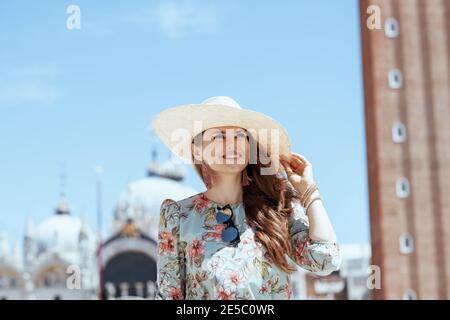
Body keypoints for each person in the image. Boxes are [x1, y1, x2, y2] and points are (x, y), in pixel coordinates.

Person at [152, 96, 340, 300]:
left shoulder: (277, 207)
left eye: (240, 136)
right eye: (219, 137)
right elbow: (169, 296)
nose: (232, 144)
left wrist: (309, 190)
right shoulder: (178, 216)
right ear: (197, 150)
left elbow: (325, 260)